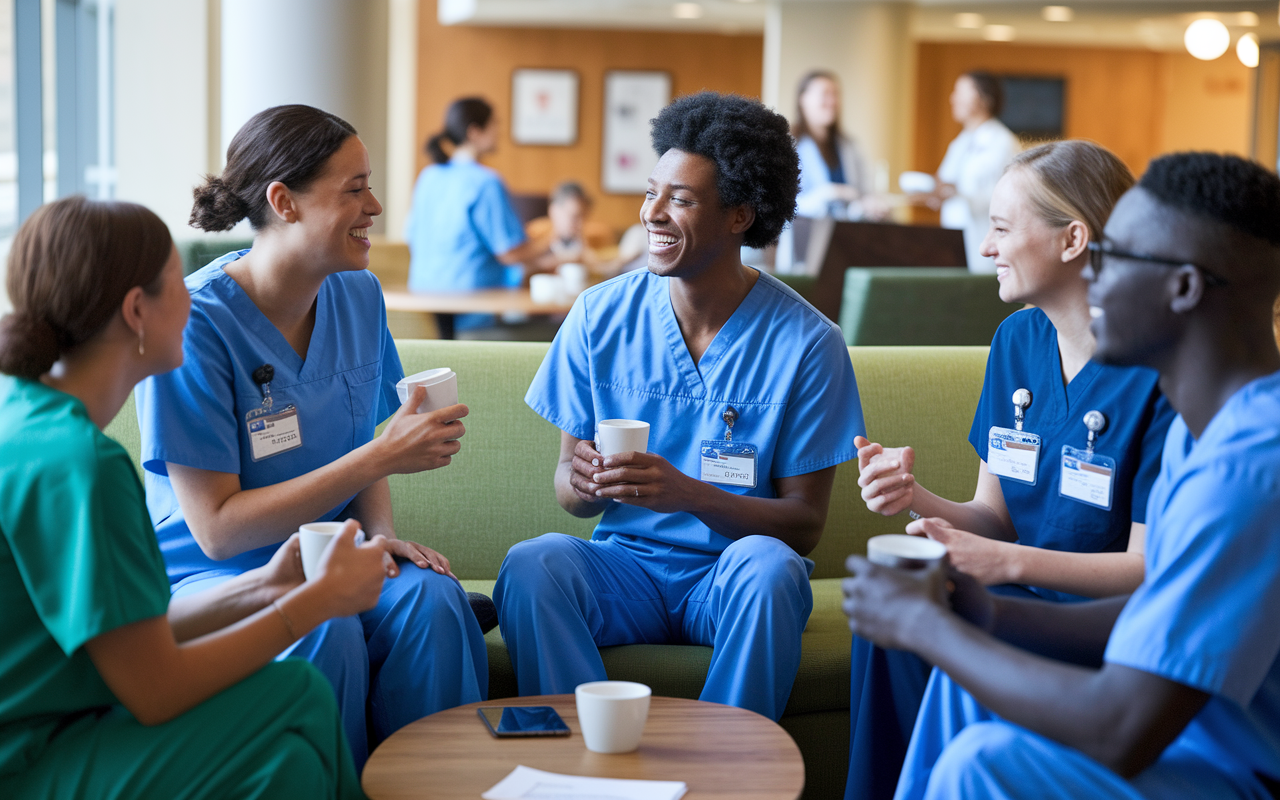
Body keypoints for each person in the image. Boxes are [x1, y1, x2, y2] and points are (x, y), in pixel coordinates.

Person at [845, 151, 1280, 799]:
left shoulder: (1247, 469)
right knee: (964, 698)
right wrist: (984, 612)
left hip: (1236, 770)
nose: (1092, 280)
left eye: (1113, 258)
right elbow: (1151, 615)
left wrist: (927, 625)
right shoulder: (1210, 433)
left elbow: (1122, 727)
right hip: (1181, 731)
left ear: (1184, 288)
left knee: (981, 762)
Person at [135, 105, 488, 770]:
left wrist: (378, 534)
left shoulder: (358, 294)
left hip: (336, 551)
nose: (375, 205)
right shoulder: (196, 324)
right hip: (217, 573)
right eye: (353, 189)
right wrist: (379, 454)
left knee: (435, 604)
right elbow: (217, 530)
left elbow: (361, 442)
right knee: (327, 628)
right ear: (283, 201)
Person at [493, 92, 866, 721]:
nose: (652, 214)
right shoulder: (598, 315)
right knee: (533, 565)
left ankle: (728, 770)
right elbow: (568, 488)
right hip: (625, 569)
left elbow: (804, 524)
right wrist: (582, 483)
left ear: (740, 215)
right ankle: (589, 761)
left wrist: (688, 494)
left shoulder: (808, 342)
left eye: (681, 200)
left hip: (732, 576)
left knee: (772, 568)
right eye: (651, 192)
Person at [0, 196, 385, 798]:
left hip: (50, 727)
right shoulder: (84, 467)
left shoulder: (23, 421)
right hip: (31, 757)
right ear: (136, 311)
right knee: (298, 691)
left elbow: (128, 634)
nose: (198, 295)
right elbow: (156, 690)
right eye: (179, 282)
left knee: (291, 768)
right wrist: (314, 604)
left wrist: (267, 586)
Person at [404, 97, 559, 333]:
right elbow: (511, 252)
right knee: (558, 331)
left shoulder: (429, 176)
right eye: (495, 124)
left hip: (424, 311)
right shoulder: (485, 182)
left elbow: (412, 236)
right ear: (475, 132)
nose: (500, 131)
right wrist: (556, 234)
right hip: (471, 312)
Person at [915, 71, 1020, 272]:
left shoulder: (1002, 143)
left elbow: (1011, 200)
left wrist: (960, 193)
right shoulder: (960, 142)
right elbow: (945, 181)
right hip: (955, 245)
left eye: (960, 92)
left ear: (982, 99)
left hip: (985, 249)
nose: (952, 99)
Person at [792, 70, 886, 221]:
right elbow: (786, 206)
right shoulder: (791, 146)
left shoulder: (850, 146)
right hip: (805, 236)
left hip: (846, 234)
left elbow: (864, 192)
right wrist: (829, 194)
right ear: (803, 99)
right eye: (825, 94)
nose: (831, 101)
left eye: (835, 94)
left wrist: (870, 204)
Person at [524, 181, 617, 270]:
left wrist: (585, 249)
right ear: (554, 211)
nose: (580, 224)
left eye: (584, 217)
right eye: (574, 216)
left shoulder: (598, 235)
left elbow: (607, 268)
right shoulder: (534, 233)